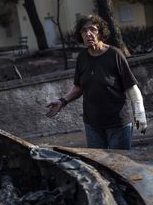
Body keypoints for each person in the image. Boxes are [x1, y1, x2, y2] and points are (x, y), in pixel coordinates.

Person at [46, 14, 147, 150]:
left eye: (92, 29)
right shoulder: (82, 57)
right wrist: (62, 101)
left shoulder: (114, 54)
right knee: (97, 164)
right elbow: (79, 87)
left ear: (100, 33)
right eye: (84, 30)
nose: (88, 34)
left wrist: (140, 113)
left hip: (118, 123)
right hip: (93, 125)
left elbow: (131, 87)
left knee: (120, 163)